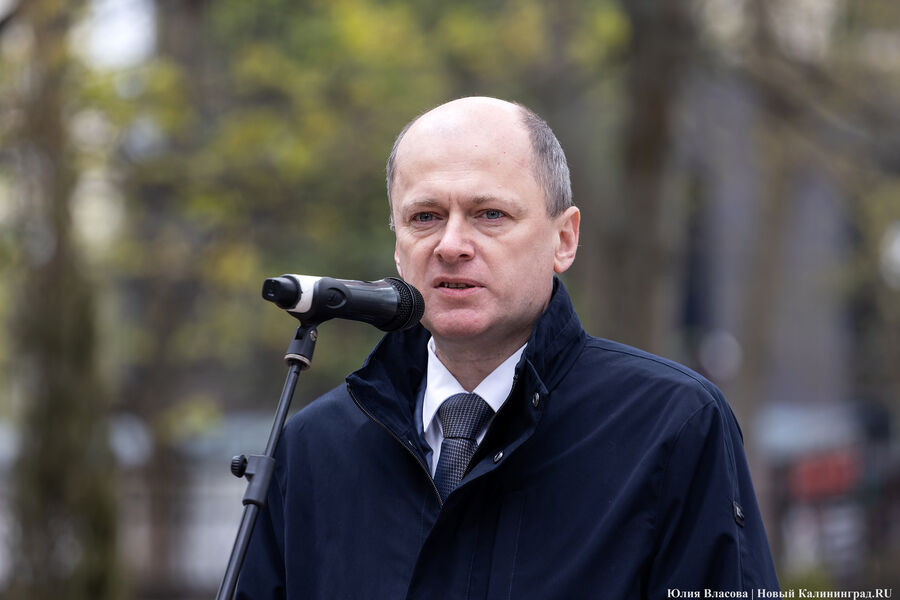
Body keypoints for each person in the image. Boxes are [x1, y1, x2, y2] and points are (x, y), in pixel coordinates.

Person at [236, 97, 780, 599]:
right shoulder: (312, 448)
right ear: (398, 248)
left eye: (489, 214)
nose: (451, 245)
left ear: (564, 239)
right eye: (424, 217)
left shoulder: (672, 426)